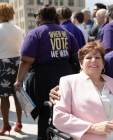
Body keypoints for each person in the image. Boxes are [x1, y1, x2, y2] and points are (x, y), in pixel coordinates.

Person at [13, 5, 79, 140]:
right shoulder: (67, 33)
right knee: (64, 108)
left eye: (36, 16)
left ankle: (43, 137)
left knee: (44, 111)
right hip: (65, 74)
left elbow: (26, 60)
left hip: (43, 76)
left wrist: (19, 80)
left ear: (40, 17)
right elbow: (76, 55)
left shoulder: (36, 33)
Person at [53, 41, 113, 140]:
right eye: (88, 58)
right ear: (81, 63)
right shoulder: (68, 82)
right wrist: (92, 128)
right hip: (85, 137)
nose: (93, 60)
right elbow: (59, 117)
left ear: (103, 63)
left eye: (97, 57)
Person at [0, 2, 23, 135]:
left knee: (3, 96)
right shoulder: (18, 29)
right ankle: (19, 123)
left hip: (1, 63)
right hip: (17, 62)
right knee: (17, 94)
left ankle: (5, 126)